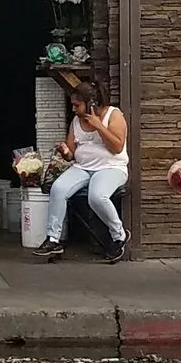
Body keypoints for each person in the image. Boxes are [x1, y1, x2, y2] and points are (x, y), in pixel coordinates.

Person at [39, 72, 128, 263]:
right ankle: (53, 239)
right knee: (58, 188)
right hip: (82, 167)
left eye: (77, 105)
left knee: (97, 196)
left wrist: (99, 126)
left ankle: (119, 235)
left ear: (91, 104)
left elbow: (117, 147)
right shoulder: (76, 121)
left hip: (110, 167)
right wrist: (64, 151)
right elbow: (71, 154)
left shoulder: (113, 115)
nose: (73, 109)